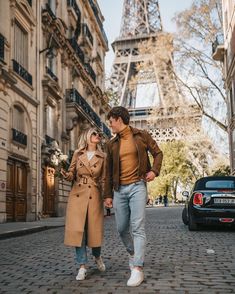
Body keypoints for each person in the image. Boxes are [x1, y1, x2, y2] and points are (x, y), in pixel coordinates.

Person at [104, 106, 163, 287]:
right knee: (122, 229)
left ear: (118, 119)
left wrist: (154, 171)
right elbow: (108, 172)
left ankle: (137, 267)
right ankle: (133, 253)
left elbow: (158, 153)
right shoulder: (111, 144)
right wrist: (107, 195)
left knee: (137, 227)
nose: (110, 125)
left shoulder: (141, 135)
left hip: (138, 186)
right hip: (119, 190)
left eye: (111, 121)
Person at [61, 127, 106, 281]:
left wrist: (108, 197)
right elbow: (72, 173)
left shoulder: (103, 156)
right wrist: (66, 174)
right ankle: (82, 266)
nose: (97, 136)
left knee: (95, 230)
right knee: (78, 230)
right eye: (94, 133)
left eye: (98, 134)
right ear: (87, 136)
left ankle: (97, 255)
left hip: (94, 194)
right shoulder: (77, 154)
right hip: (78, 194)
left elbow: (105, 178)